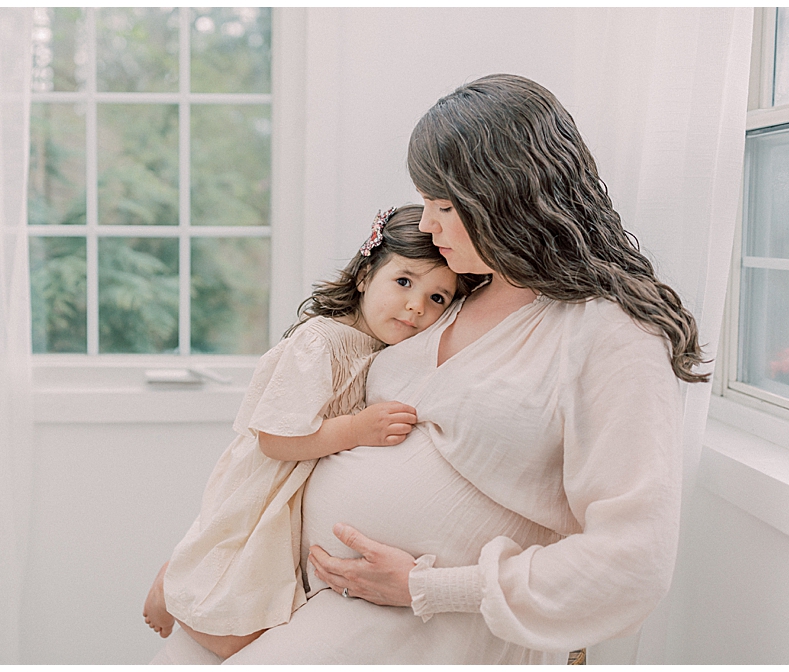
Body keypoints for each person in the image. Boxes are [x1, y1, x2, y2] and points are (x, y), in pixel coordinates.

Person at [151, 74, 708, 665]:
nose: (425, 226)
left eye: (444, 207)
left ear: (507, 200)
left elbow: (633, 561)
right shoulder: (453, 298)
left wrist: (428, 587)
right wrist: (208, 556)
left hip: (428, 629)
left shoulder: (610, 334)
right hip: (298, 598)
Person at [143, 205, 469, 659]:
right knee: (232, 634)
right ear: (363, 277)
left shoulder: (385, 349)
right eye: (403, 282)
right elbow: (274, 439)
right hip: (268, 485)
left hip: (298, 491)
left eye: (438, 298)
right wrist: (355, 430)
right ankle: (172, 580)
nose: (416, 305)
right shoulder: (321, 342)